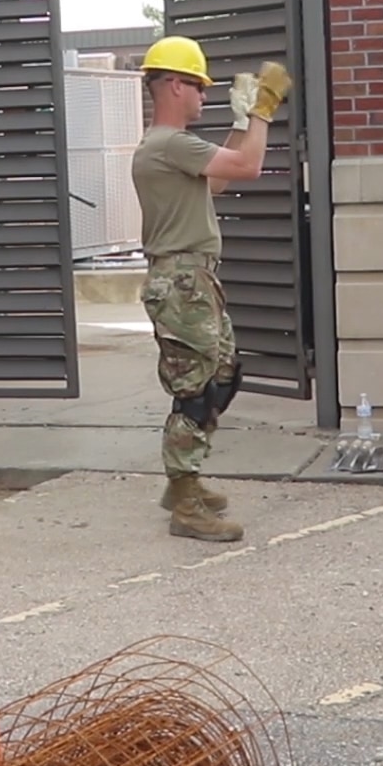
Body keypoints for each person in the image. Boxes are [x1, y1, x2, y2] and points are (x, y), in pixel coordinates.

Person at [130, 35, 292, 542]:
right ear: (175, 86)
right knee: (196, 391)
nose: (204, 96)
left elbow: (221, 178)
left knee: (219, 377)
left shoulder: (171, 149)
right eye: (199, 87)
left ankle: (186, 482)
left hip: (192, 279)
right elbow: (248, 167)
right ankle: (185, 499)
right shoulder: (168, 144)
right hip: (183, 282)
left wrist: (242, 124)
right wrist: (263, 111)